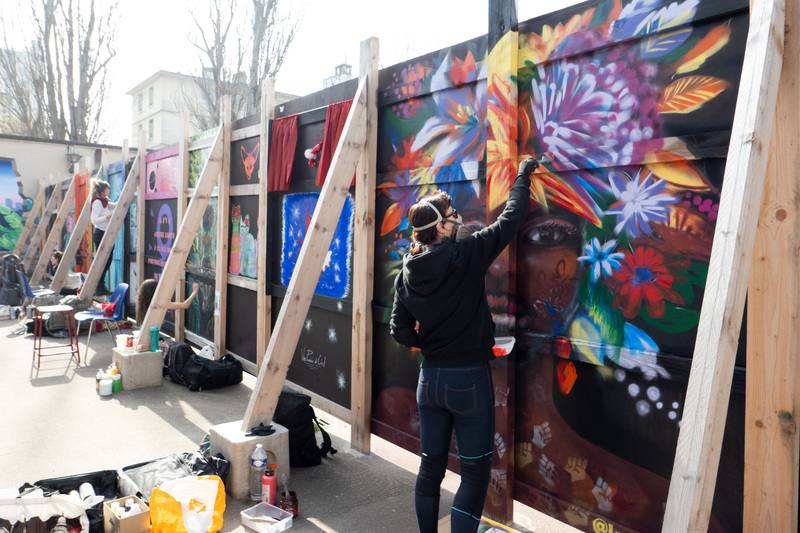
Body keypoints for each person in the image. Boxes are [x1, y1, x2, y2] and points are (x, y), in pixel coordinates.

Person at [390, 158, 539, 532]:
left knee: (430, 467)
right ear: (440, 226)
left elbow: (399, 330)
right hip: (469, 380)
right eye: (452, 214)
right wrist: (522, 175)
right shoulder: (466, 254)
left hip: (431, 381)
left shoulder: (407, 271)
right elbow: (511, 217)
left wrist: (429, 343)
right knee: (474, 474)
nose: (458, 218)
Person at [90, 179, 117, 294]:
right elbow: (94, 219)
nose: (108, 191)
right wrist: (107, 217)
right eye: (107, 189)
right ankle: (99, 286)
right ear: (102, 191)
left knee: (107, 260)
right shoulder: (97, 202)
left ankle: (100, 285)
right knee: (103, 260)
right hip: (100, 233)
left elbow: (116, 205)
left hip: (105, 233)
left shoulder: (104, 201)